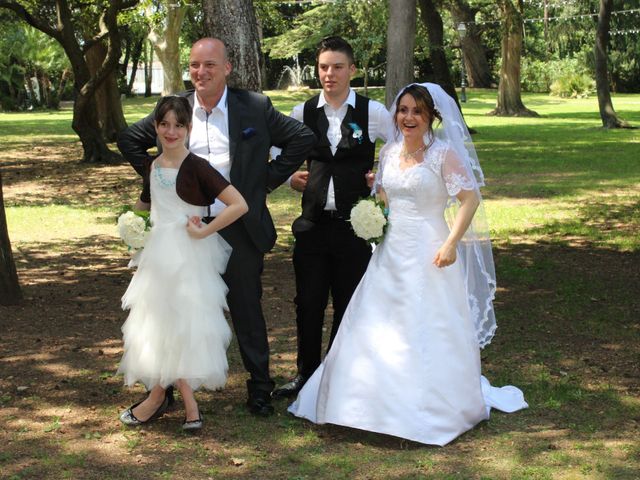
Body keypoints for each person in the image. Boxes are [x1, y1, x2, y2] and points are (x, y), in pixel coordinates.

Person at [288, 83, 528, 446]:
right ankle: (357, 405)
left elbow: (469, 200)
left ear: (431, 116)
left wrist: (451, 244)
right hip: (389, 250)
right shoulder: (389, 151)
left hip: (430, 250)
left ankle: (428, 408)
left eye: (417, 111)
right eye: (403, 110)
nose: (409, 117)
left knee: (426, 324)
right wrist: (375, 211)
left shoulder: (443, 154)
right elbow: (384, 195)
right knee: (374, 323)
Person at [117, 38, 316, 417]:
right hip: (181, 232)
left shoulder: (254, 107)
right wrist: (161, 178)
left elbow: (302, 137)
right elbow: (129, 139)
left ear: (227, 68)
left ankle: (259, 387)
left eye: (210, 65)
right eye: (194, 65)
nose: (201, 72)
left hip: (236, 223)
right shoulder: (176, 108)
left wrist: (261, 182)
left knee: (245, 307)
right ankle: (165, 391)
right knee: (171, 308)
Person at [271, 36, 392, 399]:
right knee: (308, 303)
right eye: (324, 67)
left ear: (352, 70)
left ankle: (338, 375)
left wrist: (381, 179)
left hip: (354, 229)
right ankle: (305, 375)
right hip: (312, 226)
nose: (330, 74)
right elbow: (277, 152)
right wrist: (290, 177)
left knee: (347, 303)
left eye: (338, 67)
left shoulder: (374, 113)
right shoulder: (302, 112)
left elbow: (403, 149)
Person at [117, 96, 248, 430]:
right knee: (160, 322)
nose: (171, 131)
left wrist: (205, 232)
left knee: (181, 323)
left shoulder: (197, 167)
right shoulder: (153, 165)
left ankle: (160, 399)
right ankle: (187, 405)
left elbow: (238, 204)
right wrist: (133, 227)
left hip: (187, 256)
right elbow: (146, 202)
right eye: (164, 125)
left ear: (189, 128)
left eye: (178, 125)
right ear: (156, 128)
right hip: (157, 256)